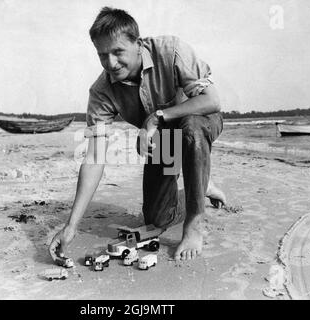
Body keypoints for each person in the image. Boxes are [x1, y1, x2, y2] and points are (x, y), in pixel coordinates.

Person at [49, 7, 226, 262]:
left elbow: (212, 100)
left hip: (200, 122)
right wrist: (71, 227)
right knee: (156, 218)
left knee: (192, 126)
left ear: (137, 43)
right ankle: (200, 184)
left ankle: (195, 223)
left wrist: (156, 117)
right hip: (165, 143)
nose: (111, 63)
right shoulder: (101, 93)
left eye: (118, 52)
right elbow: (94, 159)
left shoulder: (171, 50)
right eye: (102, 55)